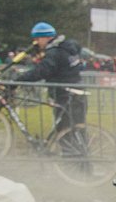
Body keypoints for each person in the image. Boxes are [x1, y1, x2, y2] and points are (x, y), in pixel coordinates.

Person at [13, 22, 87, 153]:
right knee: (77, 131)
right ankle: (82, 165)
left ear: (45, 37)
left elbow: (42, 71)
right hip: (77, 92)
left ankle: (74, 165)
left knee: (66, 131)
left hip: (64, 94)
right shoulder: (68, 46)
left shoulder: (54, 52)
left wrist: (18, 80)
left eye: (37, 39)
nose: (36, 42)